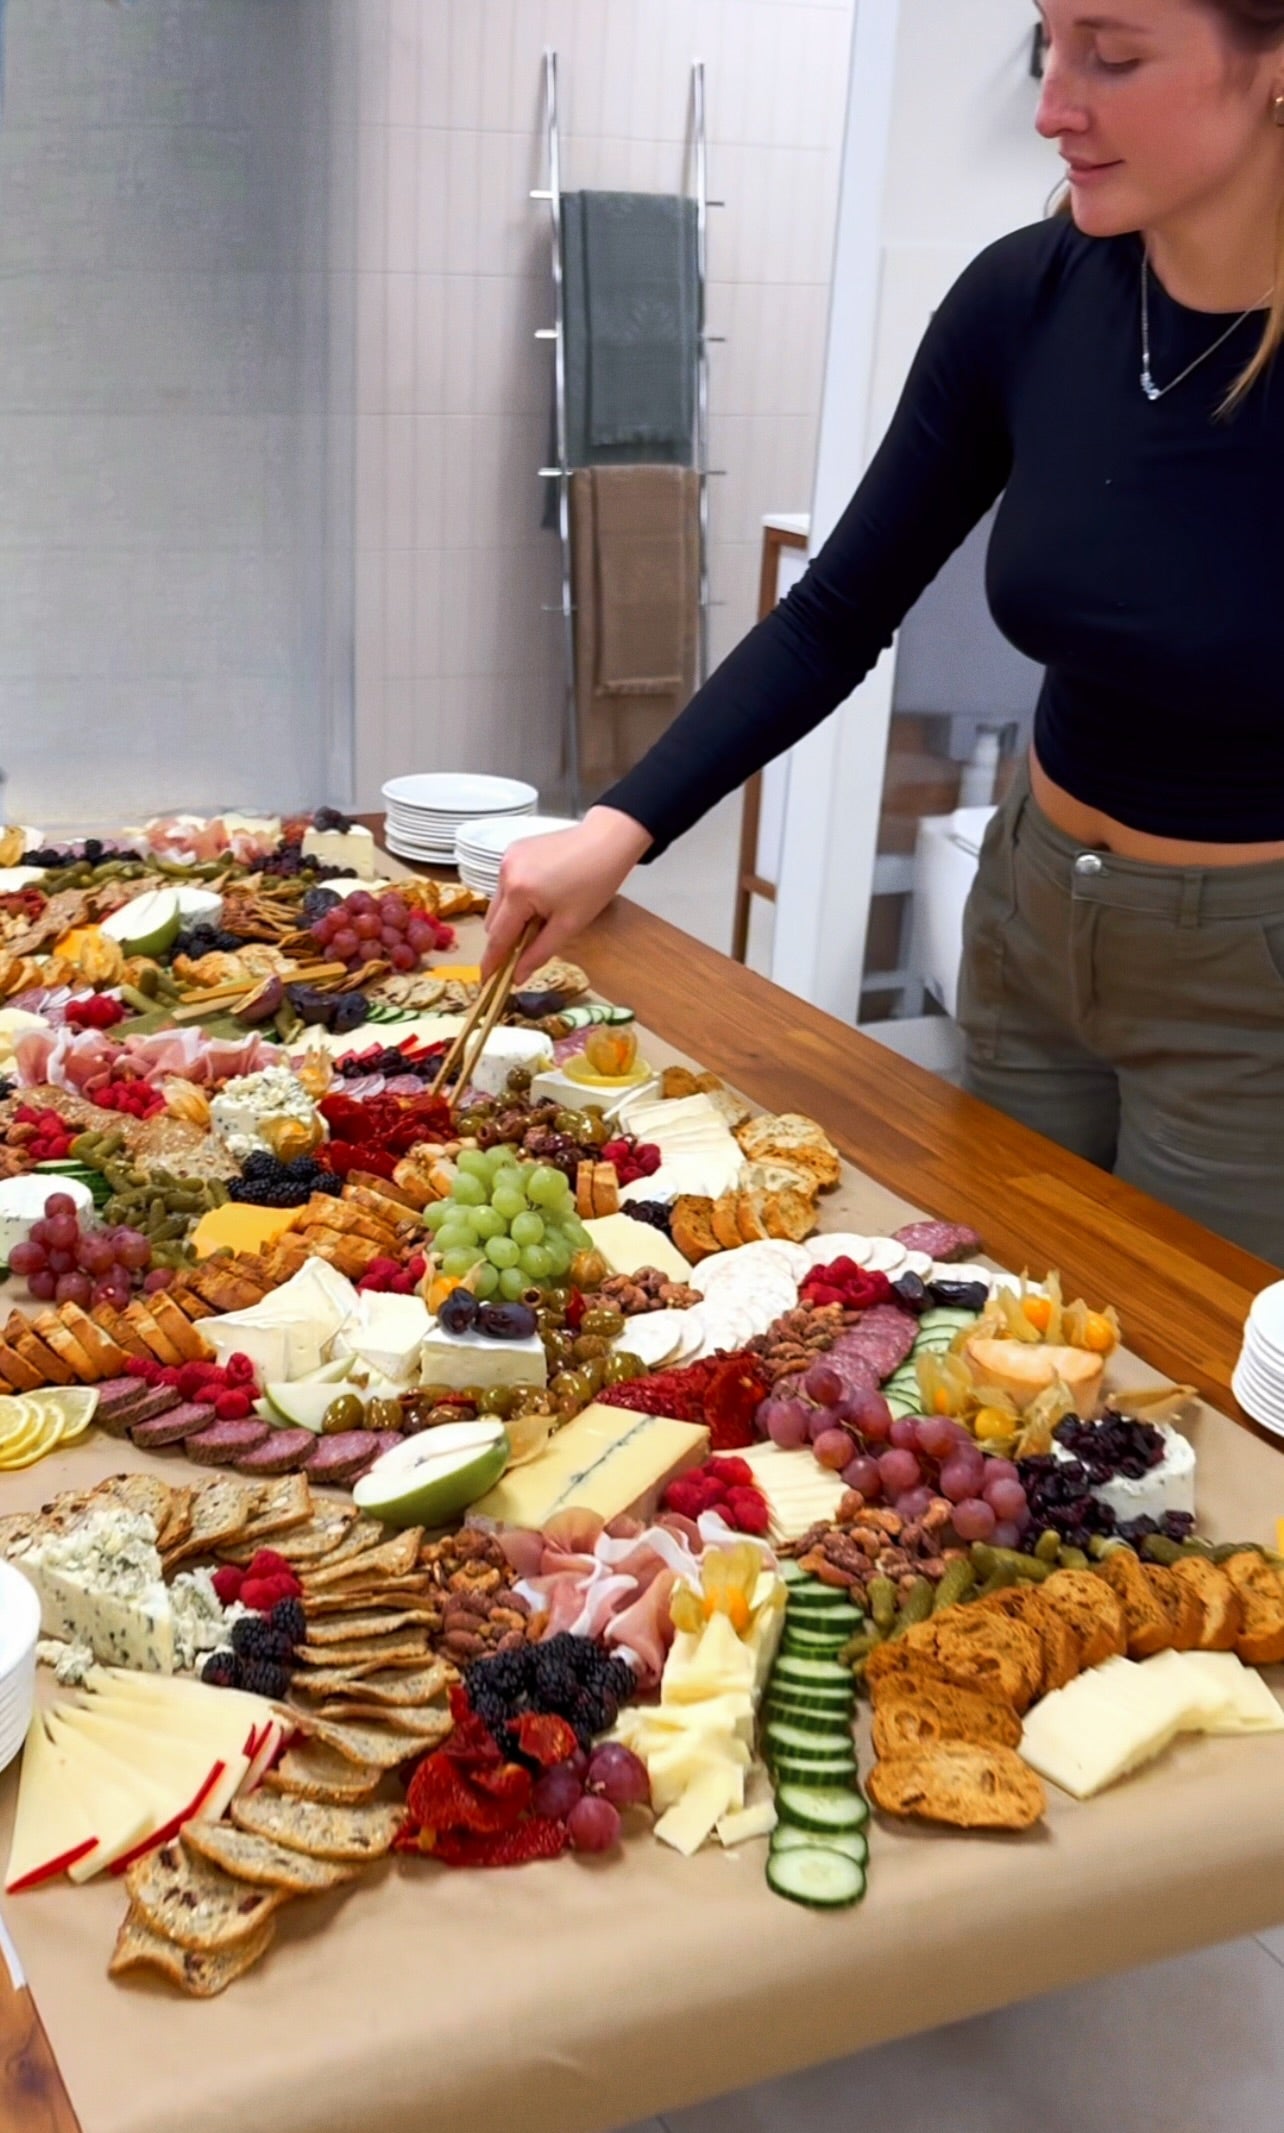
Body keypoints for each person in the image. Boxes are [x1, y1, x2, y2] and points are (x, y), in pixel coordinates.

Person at [485, 0, 1284, 1266]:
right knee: (1000, 1322)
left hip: (1254, 986)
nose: (1053, 107)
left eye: (1115, 55)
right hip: (1030, 919)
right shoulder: (1026, 299)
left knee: (1199, 1364)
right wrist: (620, 826)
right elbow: (837, 611)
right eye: (1050, 44)